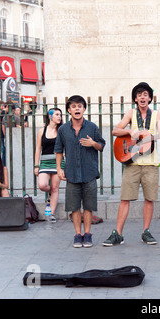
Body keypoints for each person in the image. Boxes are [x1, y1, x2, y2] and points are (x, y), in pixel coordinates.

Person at [103, 82, 160, 246]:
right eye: (139, 94)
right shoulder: (131, 113)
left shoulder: (157, 115)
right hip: (132, 162)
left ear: (149, 98)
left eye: (145, 94)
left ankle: (146, 231)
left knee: (149, 199)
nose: (142, 97)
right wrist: (129, 131)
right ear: (135, 98)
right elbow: (115, 131)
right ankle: (118, 233)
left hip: (151, 163)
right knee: (125, 198)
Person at [55, 95, 106, 248]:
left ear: (84, 109)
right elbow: (58, 150)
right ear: (69, 110)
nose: (77, 108)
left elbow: (102, 146)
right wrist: (59, 168)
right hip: (71, 173)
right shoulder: (63, 129)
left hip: (89, 172)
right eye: (74, 106)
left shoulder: (92, 127)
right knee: (74, 206)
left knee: (89, 206)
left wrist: (93, 143)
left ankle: (88, 234)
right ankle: (78, 235)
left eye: (80, 106)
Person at [34, 107, 65, 222]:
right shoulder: (42, 131)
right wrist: (36, 165)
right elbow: (38, 149)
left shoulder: (61, 131)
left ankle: (50, 214)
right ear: (50, 116)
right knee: (42, 185)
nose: (59, 117)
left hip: (58, 162)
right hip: (45, 162)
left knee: (55, 188)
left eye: (60, 115)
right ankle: (51, 193)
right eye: (57, 114)